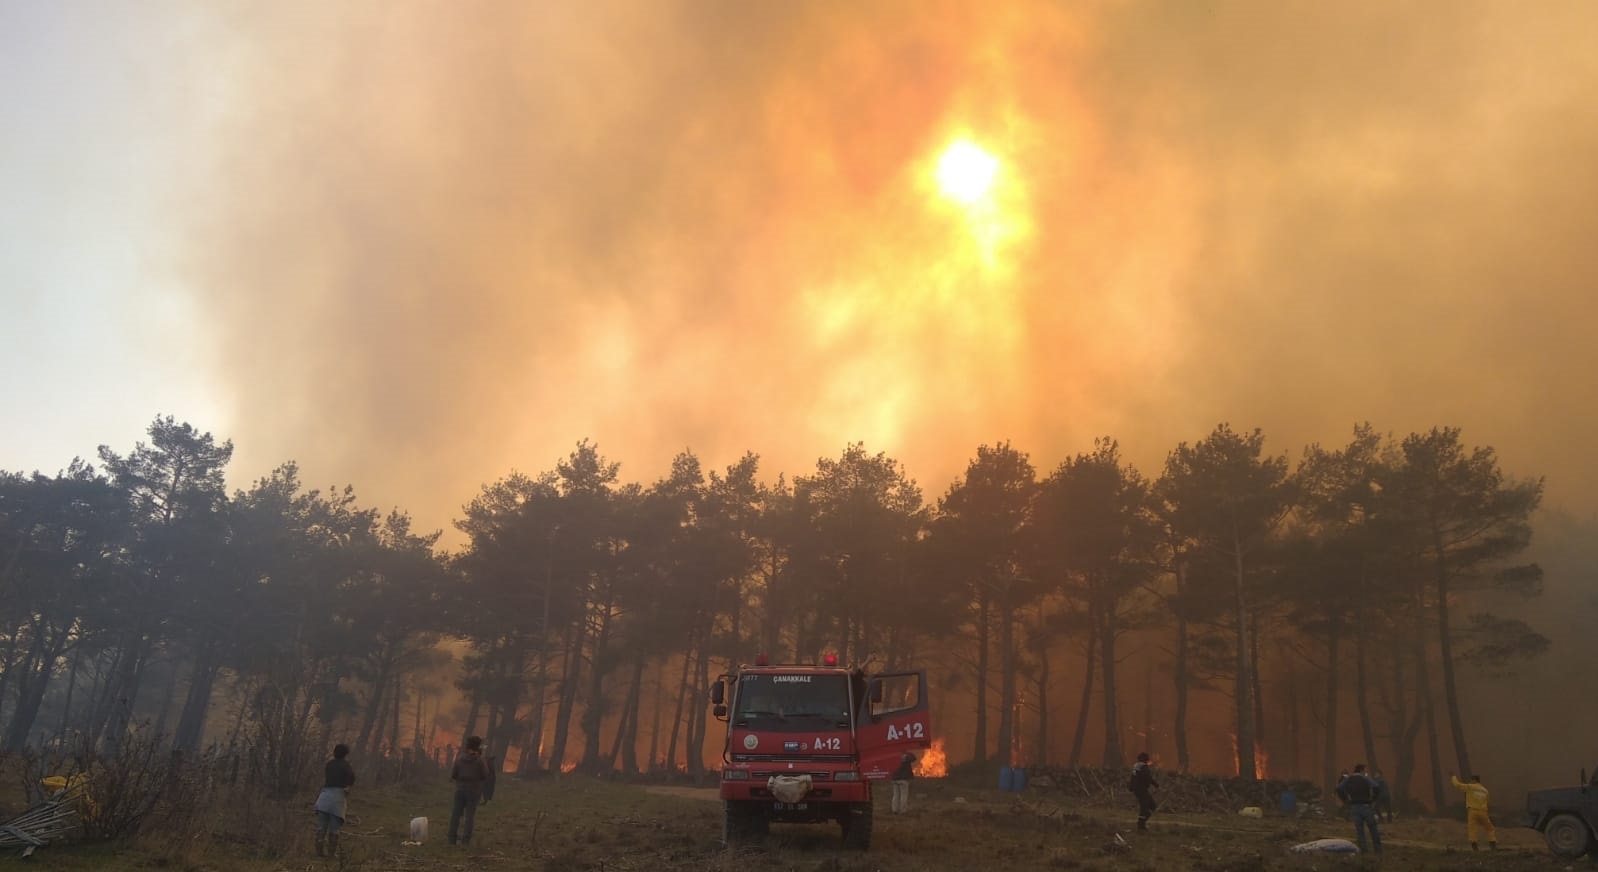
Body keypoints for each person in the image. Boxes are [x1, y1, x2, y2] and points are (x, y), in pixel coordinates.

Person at [449, 736, 492, 847]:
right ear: (477, 747)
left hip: (460, 789)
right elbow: (485, 775)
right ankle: (465, 841)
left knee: (455, 814)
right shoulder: (479, 760)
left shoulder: (459, 758)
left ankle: (451, 839)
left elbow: (453, 774)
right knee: (469, 816)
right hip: (473, 790)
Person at [314, 744, 356, 858]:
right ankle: (331, 854)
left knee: (321, 827)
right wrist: (348, 786)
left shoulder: (329, 764)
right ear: (346, 754)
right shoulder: (346, 765)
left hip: (324, 796)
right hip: (337, 798)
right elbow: (351, 777)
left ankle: (319, 853)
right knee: (334, 828)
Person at [1335, 764, 1382, 855]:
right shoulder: (1365, 778)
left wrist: (1345, 800)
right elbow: (1376, 786)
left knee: (1360, 831)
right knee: (1373, 829)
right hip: (1366, 806)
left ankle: (1364, 850)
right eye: (1365, 770)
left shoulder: (1349, 779)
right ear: (1361, 770)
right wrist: (1373, 799)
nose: (1366, 772)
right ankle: (1378, 850)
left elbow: (1339, 788)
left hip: (1354, 807)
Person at [1450, 773, 1497, 851]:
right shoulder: (1485, 790)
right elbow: (1487, 801)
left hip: (1472, 811)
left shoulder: (1471, 787)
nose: (1470, 781)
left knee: (1472, 829)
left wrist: (1453, 776)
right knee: (1490, 828)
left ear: (1474, 780)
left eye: (1471, 780)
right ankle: (1493, 843)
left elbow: (1457, 785)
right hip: (1483, 812)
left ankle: (1474, 846)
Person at [1130, 752, 1158, 832]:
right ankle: (1141, 825)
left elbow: (1133, 778)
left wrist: (1131, 787)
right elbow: (1148, 778)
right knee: (1150, 806)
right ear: (1146, 760)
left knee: (1146, 806)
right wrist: (1156, 785)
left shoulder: (1136, 767)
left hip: (1138, 790)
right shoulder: (1144, 767)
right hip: (1142, 790)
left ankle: (1141, 823)